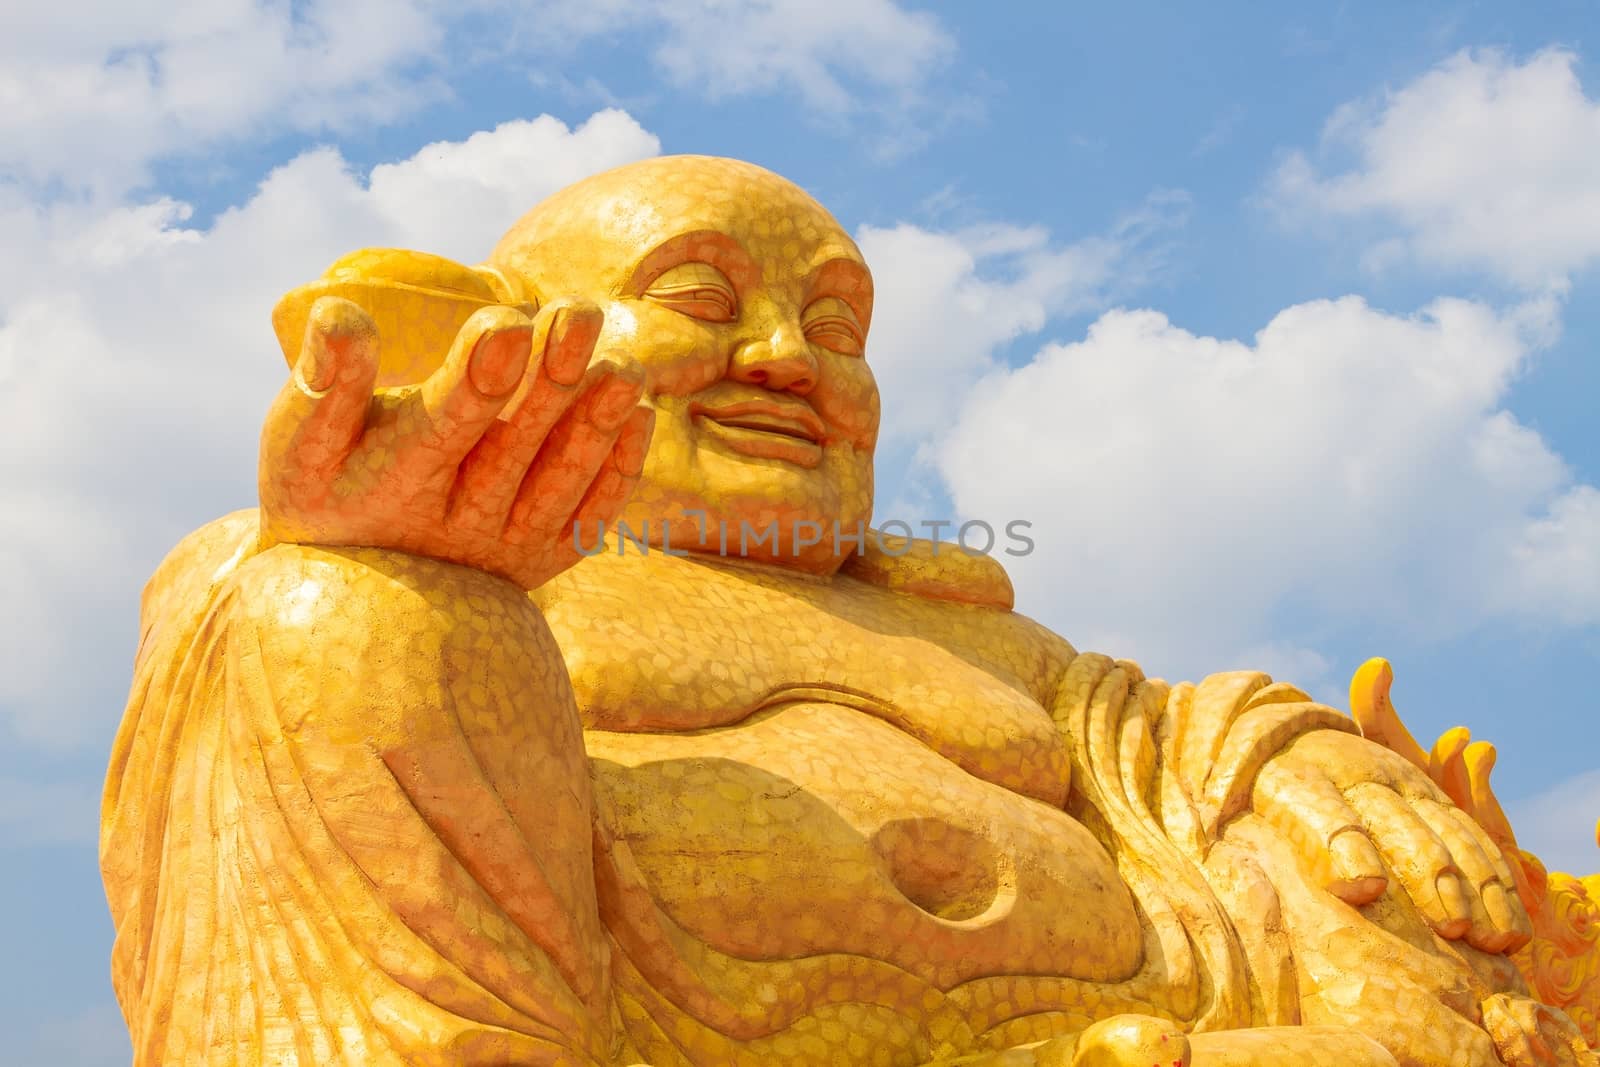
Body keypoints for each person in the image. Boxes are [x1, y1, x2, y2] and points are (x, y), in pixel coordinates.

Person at [102, 156, 1591, 1066]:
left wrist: (1280, 748)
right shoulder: (478, 580)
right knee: (320, 613)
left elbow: (1163, 737)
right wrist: (394, 569)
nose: (789, 357)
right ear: (514, 336)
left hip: (1155, 1022)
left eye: (835, 326)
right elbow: (280, 626)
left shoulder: (988, 639)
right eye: (702, 300)